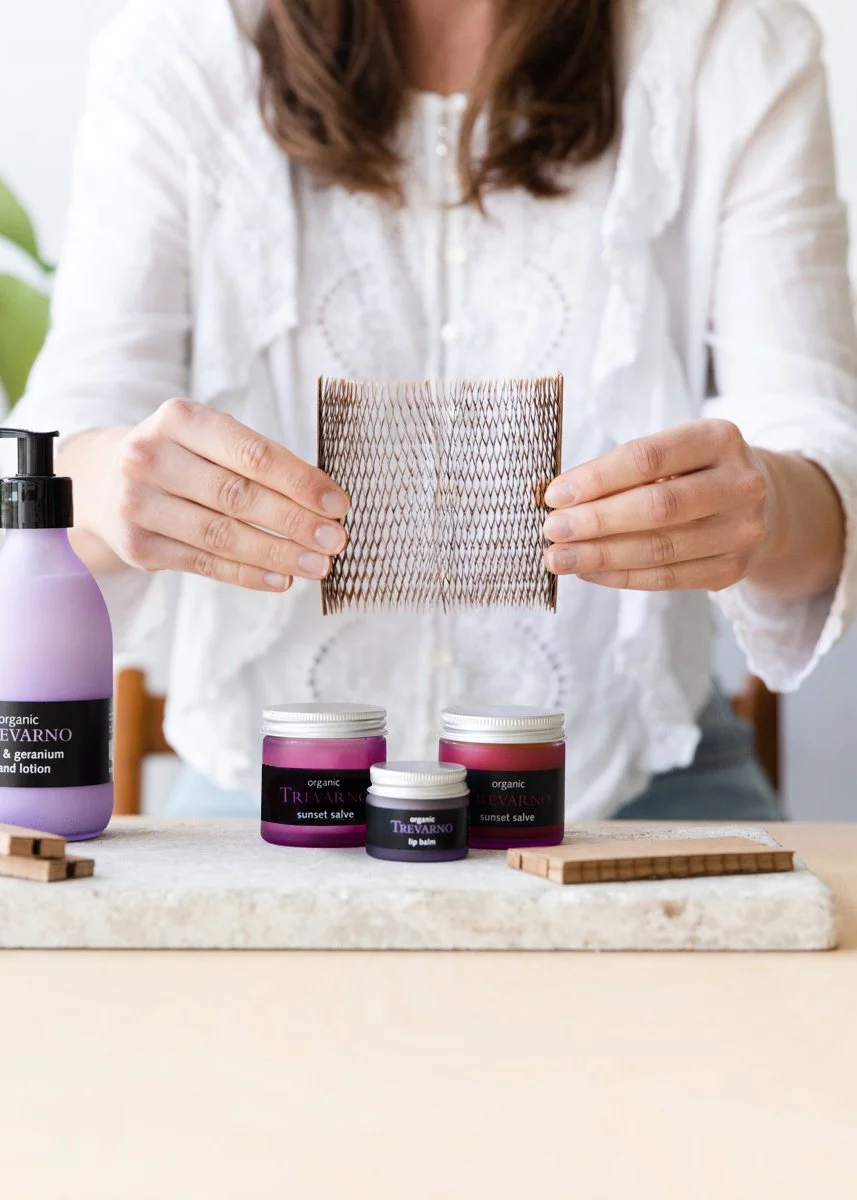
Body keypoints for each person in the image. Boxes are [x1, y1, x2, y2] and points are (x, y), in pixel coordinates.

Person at [12, 0, 857, 819]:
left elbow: (817, 448)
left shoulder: (735, 49)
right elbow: (74, 425)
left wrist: (767, 510)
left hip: (645, 778)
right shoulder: (174, 56)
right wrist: (113, 484)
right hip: (270, 788)